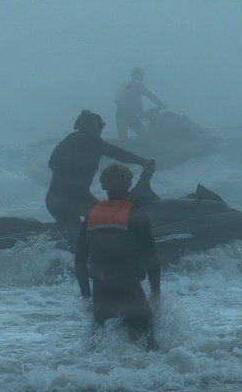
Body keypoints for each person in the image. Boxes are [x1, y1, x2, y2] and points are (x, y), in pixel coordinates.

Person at [74, 163, 161, 351]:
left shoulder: (92, 215)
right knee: (148, 347)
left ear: (103, 185)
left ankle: (88, 378)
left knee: (97, 347)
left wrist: (86, 296)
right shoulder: (136, 214)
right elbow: (150, 256)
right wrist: (155, 292)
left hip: (100, 291)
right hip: (128, 288)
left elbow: (79, 258)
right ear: (129, 183)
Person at [46, 110, 153, 228]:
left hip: (54, 200)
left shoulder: (68, 141)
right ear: (95, 128)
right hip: (74, 200)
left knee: (75, 237)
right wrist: (143, 162)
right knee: (110, 221)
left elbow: (53, 164)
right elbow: (116, 153)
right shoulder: (90, 139)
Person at [114, 67, 166, 141]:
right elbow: (150, 96)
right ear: (141, 76)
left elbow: (116, 99)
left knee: (122, 139)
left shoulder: (125, 85)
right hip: (130, 116)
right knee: (143, 135)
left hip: (119, 114)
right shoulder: (138, 86)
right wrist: (161, 104)